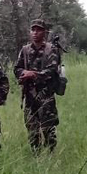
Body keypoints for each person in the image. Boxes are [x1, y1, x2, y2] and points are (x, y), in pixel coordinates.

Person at [14, 19, 60, 153]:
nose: (35, 33)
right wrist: (23, 73)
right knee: (32, 128)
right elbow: (17, 68)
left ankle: (51, 154)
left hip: (46, 95)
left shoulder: (51, 49)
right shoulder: (25, 50)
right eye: (33, 30)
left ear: (44, 32)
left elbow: (51, 70)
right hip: (29, 96)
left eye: (38, 30)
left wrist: (33, 75)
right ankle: (36, 155)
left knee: (48, 127)